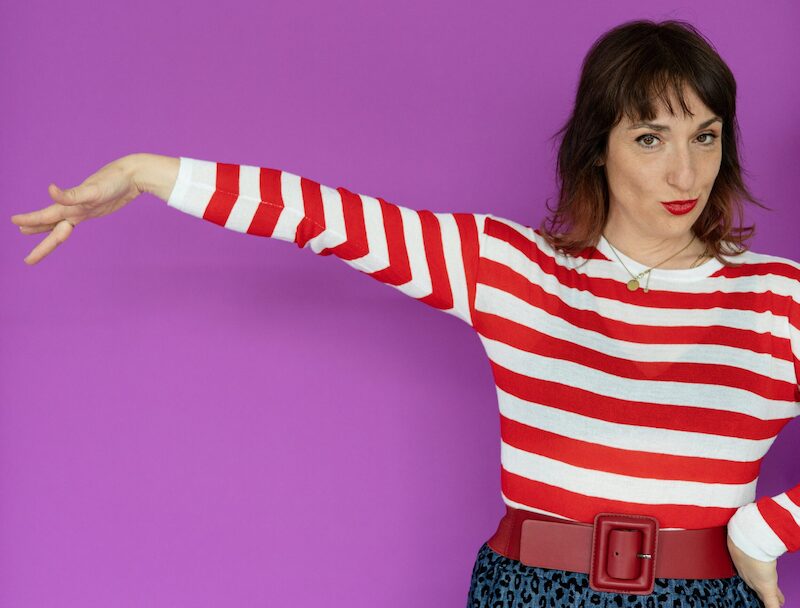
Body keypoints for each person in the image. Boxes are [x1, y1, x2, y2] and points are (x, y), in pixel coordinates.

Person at [9, 18, 799, 608]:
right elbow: (326, 218)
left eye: (705, 136)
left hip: (707, 597)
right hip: (530, 592)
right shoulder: (512, 269)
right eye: (651, 138)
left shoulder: (780, 298)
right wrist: (142, 173)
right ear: (599, 146)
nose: (686, 171)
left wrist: (767, 531)